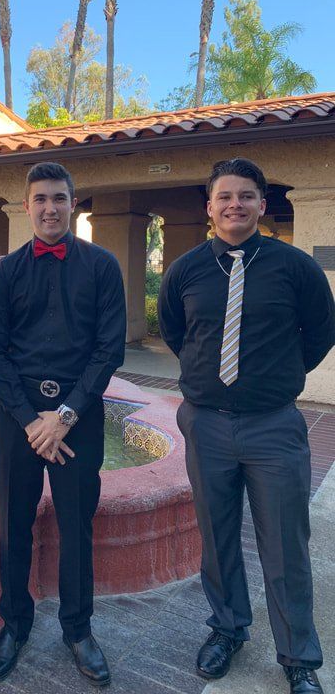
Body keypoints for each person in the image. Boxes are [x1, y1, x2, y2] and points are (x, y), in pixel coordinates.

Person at [158, 158, 335, 694]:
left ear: (262, 204)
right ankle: (228, 629)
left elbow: (320, 333)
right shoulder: (186, 271)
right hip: (206, 427)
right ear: (208, 207)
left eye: (247, 195)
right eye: (225, 196)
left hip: (273, 427)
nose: (235, 204)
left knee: (285, 545)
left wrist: (274, 377)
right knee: (217, 538)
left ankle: (298, 657)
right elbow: (175, 333)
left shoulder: (294, 267)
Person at [0, 162, 126, 686]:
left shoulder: (103, 267)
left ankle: (78, 629)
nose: (49, 208)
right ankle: (13, 626)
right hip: (18, 421)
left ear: (73, 202)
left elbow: (108, 350)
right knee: (14, 524)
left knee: (76, 527)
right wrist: (30, 421)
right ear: (27, 206)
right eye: (40, 198)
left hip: (78, 420)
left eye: (59, 198)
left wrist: (63, 417)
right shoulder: (5, 272)